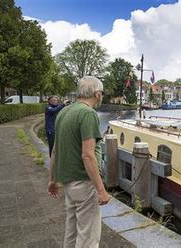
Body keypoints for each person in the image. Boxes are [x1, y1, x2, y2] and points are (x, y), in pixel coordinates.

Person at [47, 76, 111, 248]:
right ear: (97, 94)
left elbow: (55, 150)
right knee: (88, 237)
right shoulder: (88, 113)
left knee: (72, 231)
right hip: (84, 182)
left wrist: (52, 180)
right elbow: (88, 155)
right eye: (102, 93)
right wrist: (101, 190)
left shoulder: (64, 112)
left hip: (68, 182)